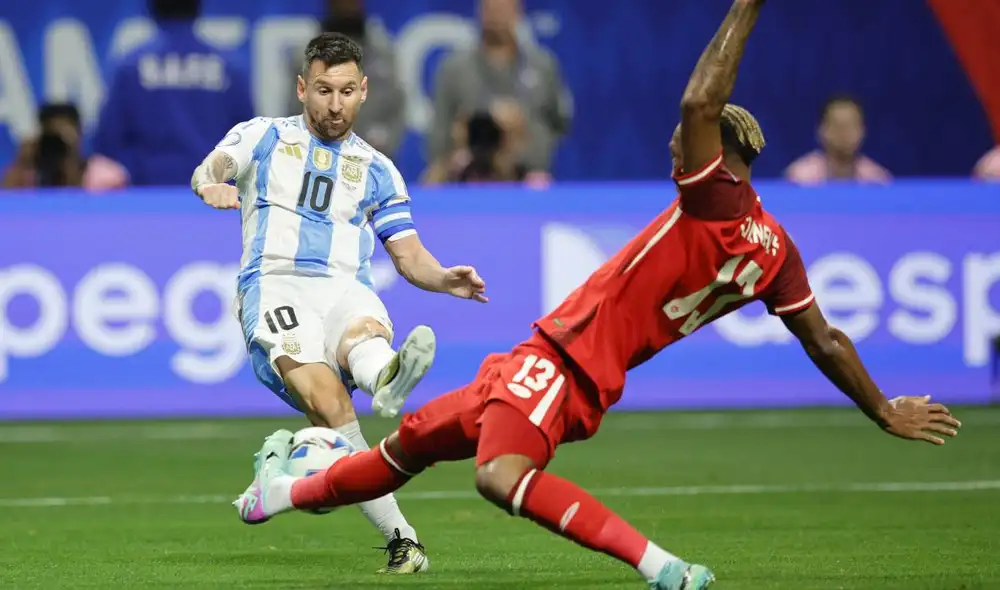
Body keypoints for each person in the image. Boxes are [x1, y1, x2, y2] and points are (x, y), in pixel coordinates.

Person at [232, 4, 961, 588]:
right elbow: (826, 341)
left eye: (686, 140)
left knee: (497, 476)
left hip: (563, 365)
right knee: (410, 443)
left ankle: (661, 567)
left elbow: (702, 95)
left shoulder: (712, 198)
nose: (675, 148)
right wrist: (881, 408)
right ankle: (278, 493)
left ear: (720, 157)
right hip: (545, 362)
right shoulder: (776, 254)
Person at [192, 32, 488, 574]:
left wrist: (444, 278)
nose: (335, 104)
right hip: (275, 287)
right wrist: (211, 185)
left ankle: (387, 379)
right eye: (324, 90)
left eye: (347, 91)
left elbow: (408, 256)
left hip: (343, 287)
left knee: (362, 335)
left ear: (364, 90)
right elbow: (211, 167)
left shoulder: (377, 168)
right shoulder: (262, 136)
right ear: (302, 88)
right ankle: (400, 527)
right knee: (331, 409)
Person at [85, 0, 253, 189]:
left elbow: (106, 144)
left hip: (149, 201)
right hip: (216, 199)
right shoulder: (230, 66)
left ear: (151, 7)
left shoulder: (130, 66)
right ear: (198, 7)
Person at [784, 95, 891, 185]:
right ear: (821, 131)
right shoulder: (800, 179)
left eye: (850, 126)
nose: (843, 133)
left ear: (863, 131)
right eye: (837, 126)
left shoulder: (877, 181)